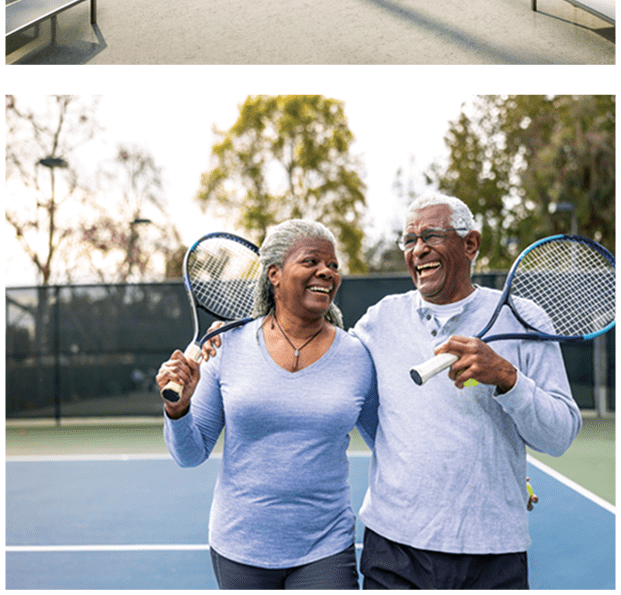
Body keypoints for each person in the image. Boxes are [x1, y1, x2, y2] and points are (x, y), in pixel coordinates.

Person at [352, 192, 581, 590]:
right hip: (394, 550)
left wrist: (507, 378)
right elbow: (337, 378)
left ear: (470, 244)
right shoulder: (380, 319)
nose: (418, 249)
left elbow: (559, 436)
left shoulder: (525, 319)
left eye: (431, 236)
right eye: (409, 240)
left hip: (493, 551)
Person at [156, 219, 378, 590]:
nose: (326, 271)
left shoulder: (357, 356)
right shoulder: (226, 346)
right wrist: (178, 411)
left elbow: (386, 443)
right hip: (240, 548)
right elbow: (190, 454)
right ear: (274, 274)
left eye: (334, 266)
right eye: (311, 261)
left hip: (325, 548)